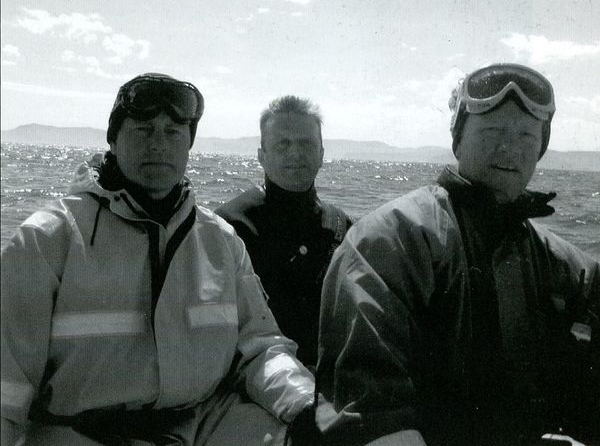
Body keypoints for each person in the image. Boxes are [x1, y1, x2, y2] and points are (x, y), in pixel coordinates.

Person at [1, 73, 315, 446]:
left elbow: (260, 349)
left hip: (201, 427)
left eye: (173, 132)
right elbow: (6, 393)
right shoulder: (47, 240)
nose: (159, 144)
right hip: (82, 433)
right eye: (143, 130)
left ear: (188, 146)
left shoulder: (221, 241)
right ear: (113, 140)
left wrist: (306, 405)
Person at [314, 64, 599, 446]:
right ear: (458, 139)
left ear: (540, 149)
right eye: (492, 131)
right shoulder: (388, 242)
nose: (509, 148)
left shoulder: (564, 266)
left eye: (526, 135)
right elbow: (370, 415)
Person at [215, 96, 352, 369]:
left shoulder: (342, 226)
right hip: (253, 380)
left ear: (321, 154)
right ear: (261, 156)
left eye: (306, 144)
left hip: (326, 379)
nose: (295, 153)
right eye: (283, 144)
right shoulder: (228, 227)